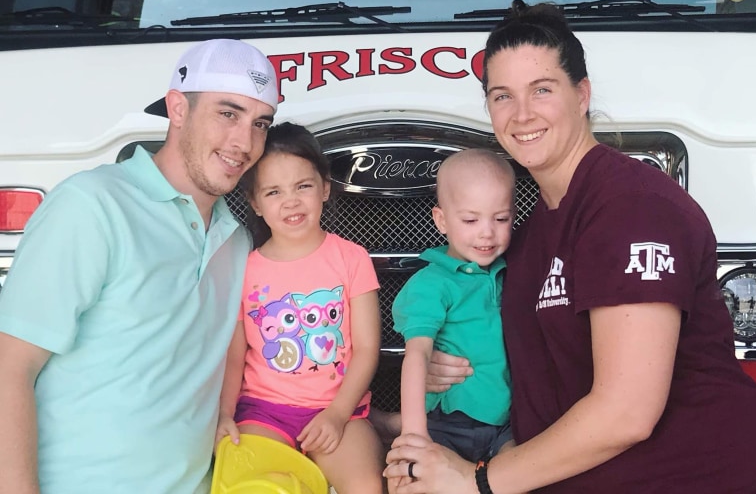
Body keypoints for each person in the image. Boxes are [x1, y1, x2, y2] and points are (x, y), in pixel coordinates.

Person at [385, 0, 756, 494]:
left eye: (542, 90)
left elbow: (627, 412)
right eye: (502, 97)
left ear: (581, 94)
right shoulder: (534, 229)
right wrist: (449, 364)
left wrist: (477, 482)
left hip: (685, 476)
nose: (521, 115)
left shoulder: (632, 206)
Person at [0, 38, 278, 494]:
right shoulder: (91, 205)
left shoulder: (238, 240)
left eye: (260, 123)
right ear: (178, 109)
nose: (244, 143)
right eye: (227, 114)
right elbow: (10, 368)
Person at [215, 122, 385, 494]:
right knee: (256, 485)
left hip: (339, 408)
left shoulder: (351, 258)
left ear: (325, 188)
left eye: (303, 186)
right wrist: (225, 414)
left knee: (366, 487)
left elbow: (368, 348)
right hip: (264, 411)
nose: (291, 201)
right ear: (256, 204)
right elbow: (235, 353)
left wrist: (338, 414)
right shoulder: (246, 268)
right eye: (274, 192)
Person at [392, 149, 514, 464]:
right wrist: (414, 434)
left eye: (501, 218)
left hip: (508, 424)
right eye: (471, 220)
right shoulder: (432, 283)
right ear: (442, 220)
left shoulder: (506, 272)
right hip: (449, 424)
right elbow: (417, 354)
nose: (487, 232)